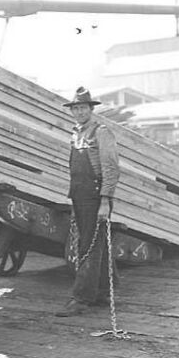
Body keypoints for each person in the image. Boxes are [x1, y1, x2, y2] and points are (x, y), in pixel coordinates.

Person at [56, 87, 120, 317]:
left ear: (91, 109)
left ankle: (81, 299)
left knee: (88, 246)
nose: (79, 111)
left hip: (96, 197)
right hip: (80, 196)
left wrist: (105, 201)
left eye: (83, 107)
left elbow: (111, 168)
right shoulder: (76, 133)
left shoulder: (101, 132)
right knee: (95, 242)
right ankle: (102, 291)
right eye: (75, 108)